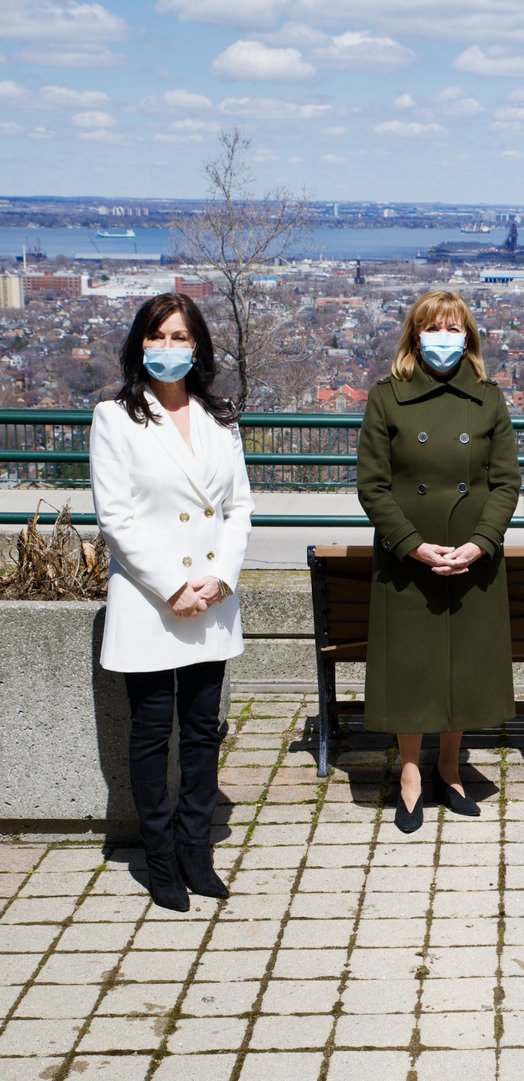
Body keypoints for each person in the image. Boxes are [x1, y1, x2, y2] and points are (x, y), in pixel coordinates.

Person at [90, 293, 254, 912]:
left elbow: (240, 506)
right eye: (157, 337)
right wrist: (174, 586)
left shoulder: (221, 417)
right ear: (139, 344)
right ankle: (159, 860)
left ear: (198, 346)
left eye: (180, 337)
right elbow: (117, 517)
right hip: (151, 600)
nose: (168, 348)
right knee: (153, 732)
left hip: (211, 598)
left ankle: (196, 852)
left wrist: (220, 579)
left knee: (203, 733)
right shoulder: (115, 417)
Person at [357, 289, 520, 834]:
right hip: (409, 561)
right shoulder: (386, 397)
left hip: (473, 557)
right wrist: (410, 544)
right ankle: (409, 774)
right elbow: (373, 487)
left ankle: (450, 769)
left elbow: (505, 482)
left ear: (468, 338)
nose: (443, 339)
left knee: (462, 668)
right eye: (433, 328)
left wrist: (481, 542)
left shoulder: (489, 398)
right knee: (413, 669)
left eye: (454, 329)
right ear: (414, 336)